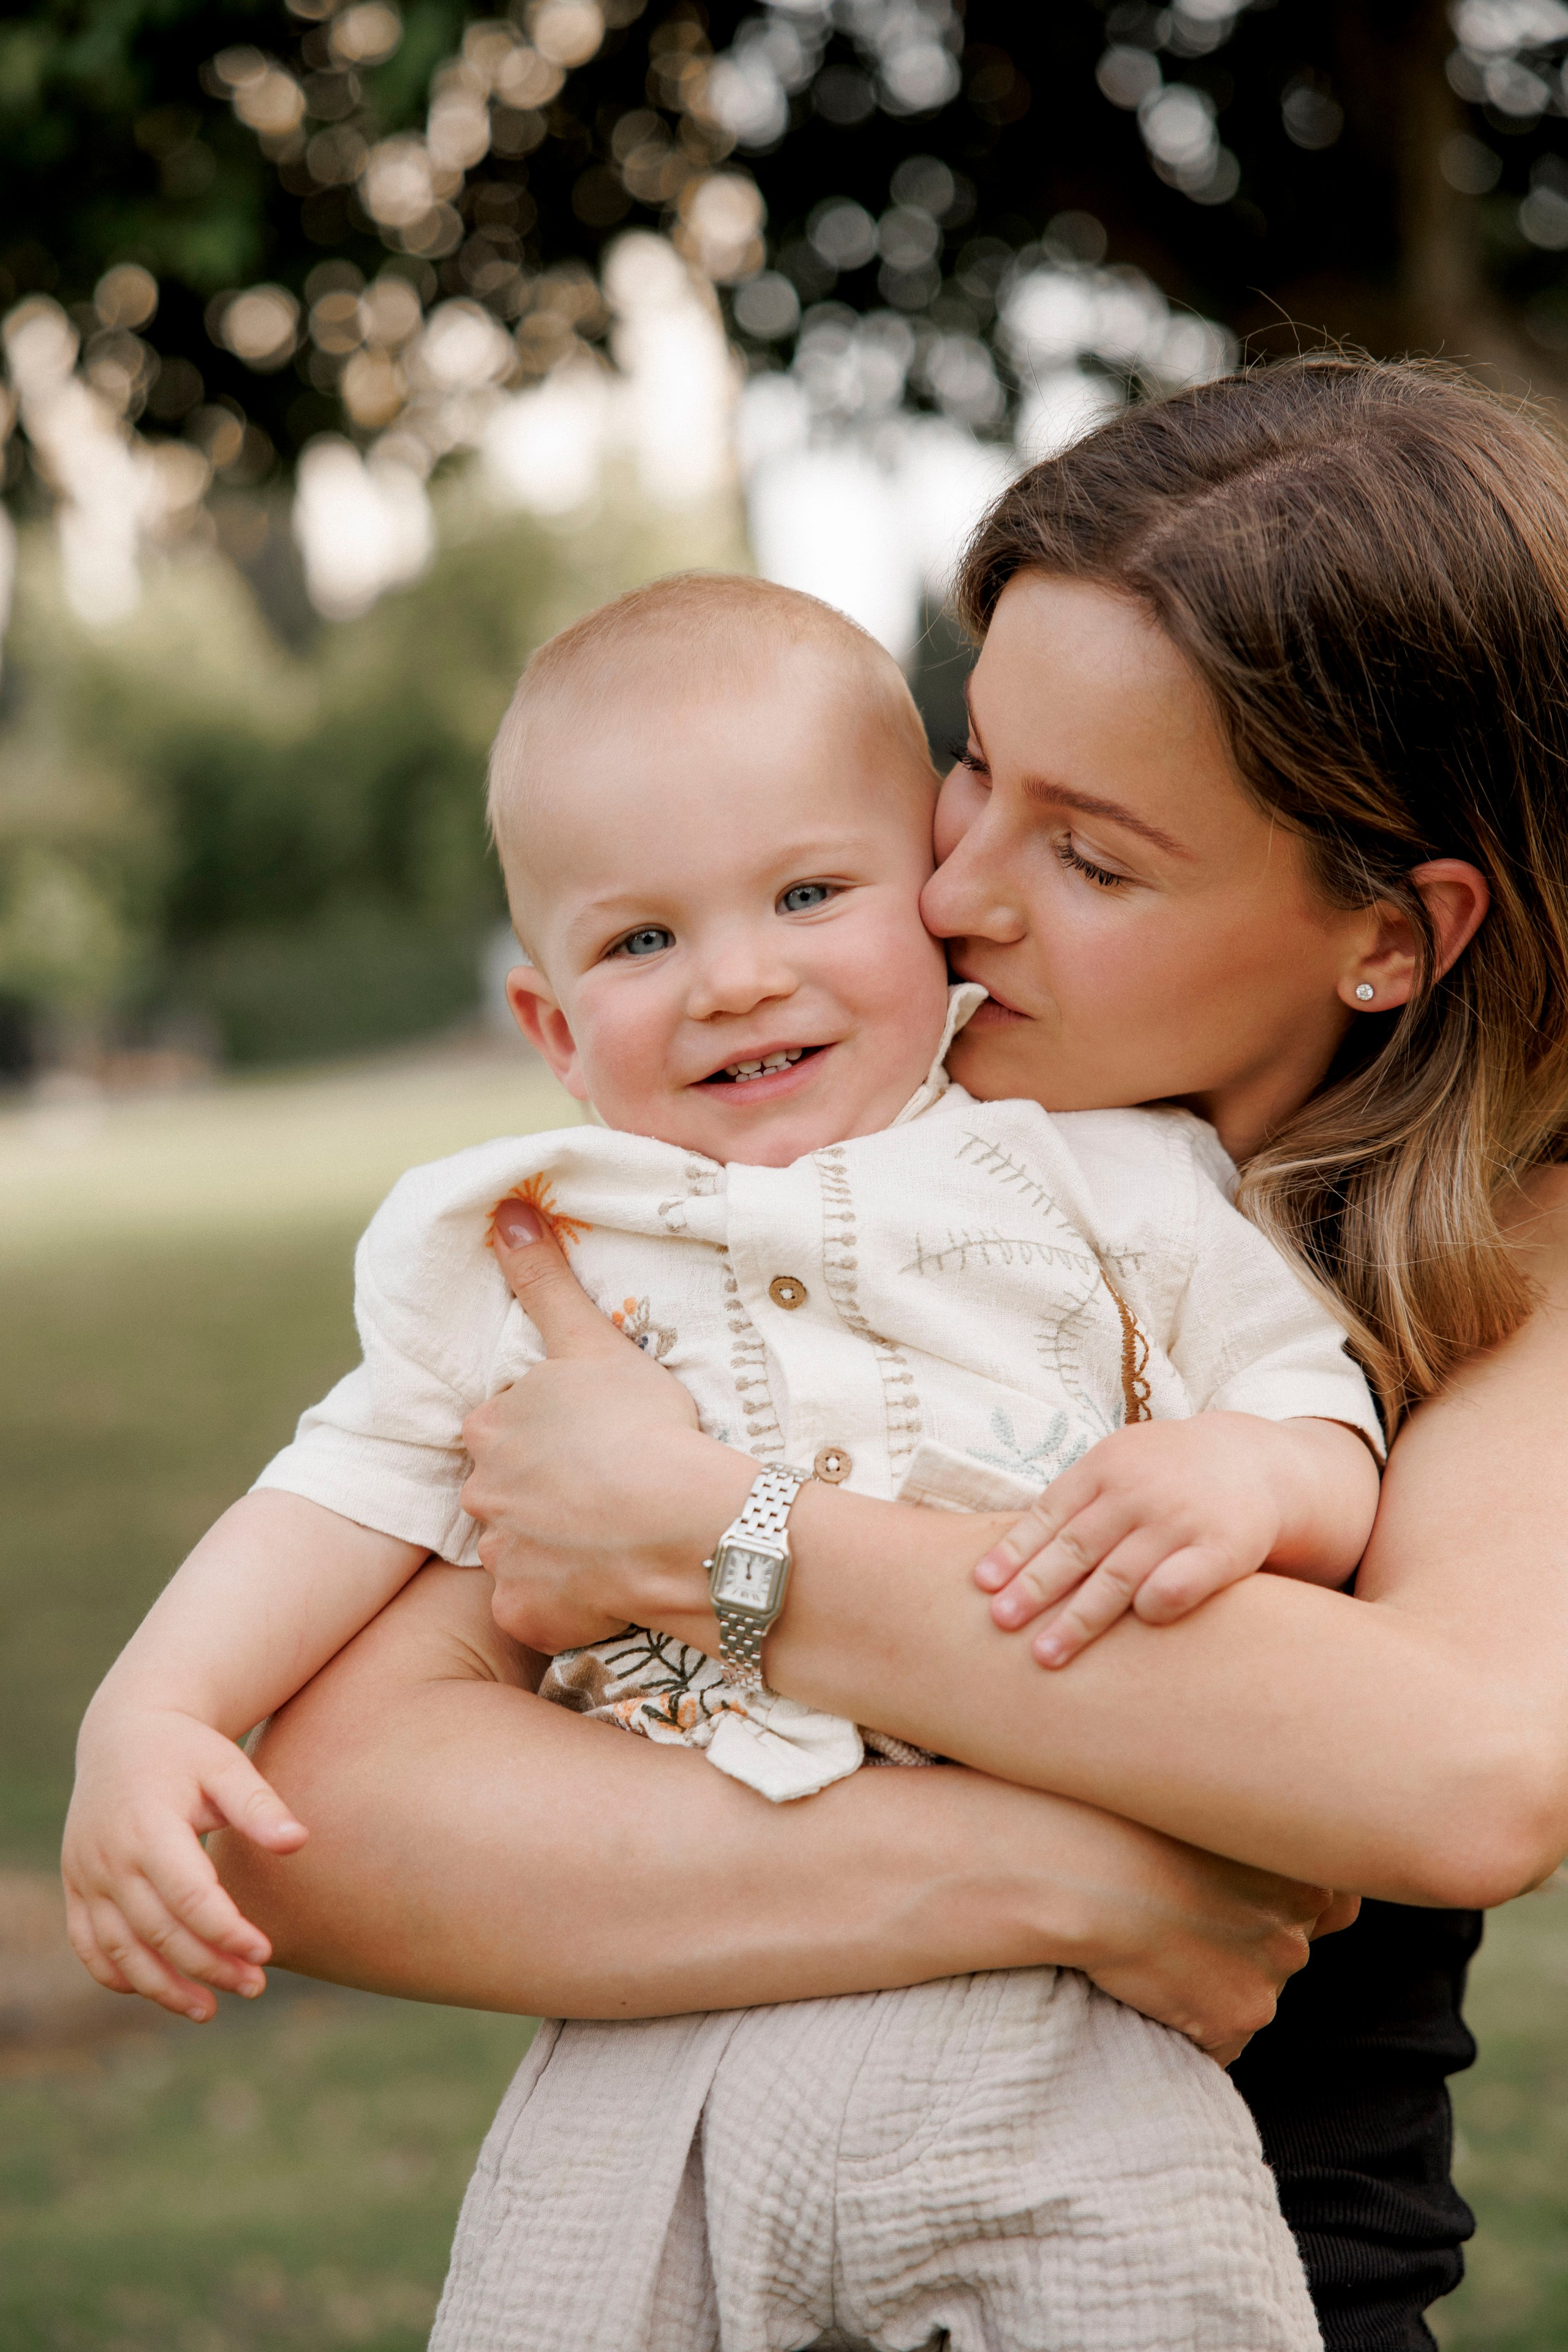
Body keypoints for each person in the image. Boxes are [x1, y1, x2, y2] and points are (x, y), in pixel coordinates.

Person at [125, 358, 1568, 2351]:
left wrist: (720, 1539)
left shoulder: (1502, 1253)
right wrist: (1047, 1880)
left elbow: (1463, 1766)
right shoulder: (776, 1202)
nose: (952, 889)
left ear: (1394, 936)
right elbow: (337, 1823)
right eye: (977, 768)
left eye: (1095, 853)